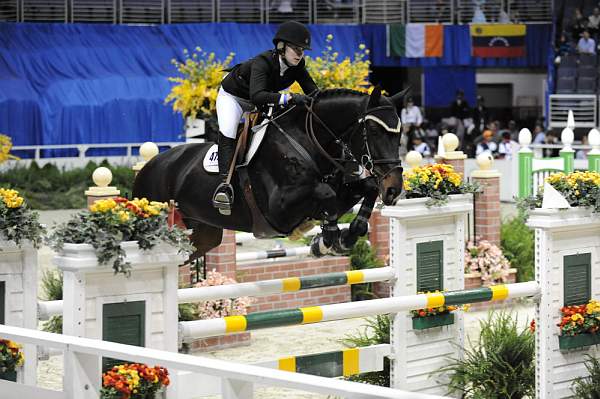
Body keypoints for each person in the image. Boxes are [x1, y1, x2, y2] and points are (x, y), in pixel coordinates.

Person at [213, 21, 318, 213]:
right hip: (234, 98)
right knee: (228, 131)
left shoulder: (298, 65)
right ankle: (224, 187)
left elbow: (313, 92)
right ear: (281, 47)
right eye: (295, 48)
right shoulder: (263, 62)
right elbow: (257, 95)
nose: (300, 53)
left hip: (260, 100)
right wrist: (289, 97)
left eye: (302, 49)